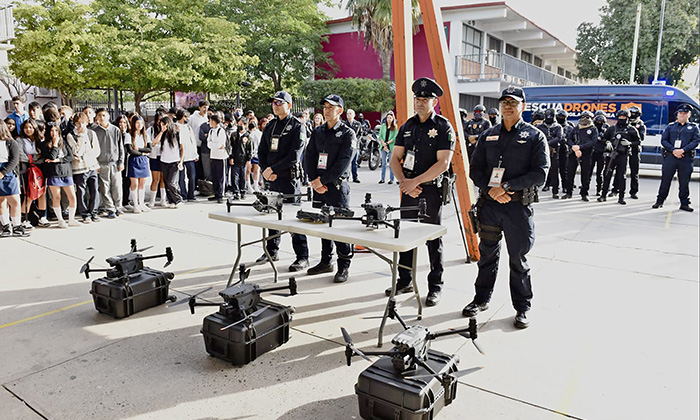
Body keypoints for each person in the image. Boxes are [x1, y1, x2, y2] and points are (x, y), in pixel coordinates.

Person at [462, 86, 549, 328]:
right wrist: (491, 190)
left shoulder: (534, 136)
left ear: (523, 106)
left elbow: (540, 173)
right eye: (504, 102)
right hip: (490, 206)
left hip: (517, 208)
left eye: (513, 102)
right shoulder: (488, 135)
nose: (508, 106)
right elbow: (475, 169)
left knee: (517, 259)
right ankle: (480, 299)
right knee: (487, 255)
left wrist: (507, 187)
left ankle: (522, 307)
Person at [388, 77, 456, 307]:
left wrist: (414, 181)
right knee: (405, 236)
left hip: (430, 192)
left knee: (432, 241)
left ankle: (435, 286)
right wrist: (404, 182)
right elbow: (395, 158)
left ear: (434, 102)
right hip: (408, 189)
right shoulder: (407, 126)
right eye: (418, 98)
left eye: (425, 98)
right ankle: (405, 279)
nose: (420, 102)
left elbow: (443, 163)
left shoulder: (443, 127)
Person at [305, 94, 356, 283]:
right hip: (319, 186)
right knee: (323, 225)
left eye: (331, 107)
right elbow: (309, 156)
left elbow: (343, 163)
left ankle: (344, 266)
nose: (326, 110)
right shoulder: (318, 132)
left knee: (340, 228)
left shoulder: (347, 133)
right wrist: (313, 180)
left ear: (340, 111)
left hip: (336, 187)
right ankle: (326, 261)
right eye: (324, 107)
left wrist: (323, 181)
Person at [257, 91, 309, 271]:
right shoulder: (270, 125)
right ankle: (271, 250)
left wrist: (274, 169)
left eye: (280, 102)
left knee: (294, 219)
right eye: (274, 102)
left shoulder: (297, 126)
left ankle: (302, 256)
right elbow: (262, 151)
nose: (275, 105)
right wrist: (265, 170)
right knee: (271, 215)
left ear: (289, 105)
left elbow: (294, 155)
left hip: (288, 178)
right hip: (271, 178)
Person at [653, 104, 700, 211]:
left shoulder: (693, 127)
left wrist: (683, 150)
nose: (682, 115)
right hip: (671, 157)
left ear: (689, 115)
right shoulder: (670, 127)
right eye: (680, 113)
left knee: (684, 182)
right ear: (677, 114)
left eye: (685, 113)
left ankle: (684, 203)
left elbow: (696, 141)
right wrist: (673, 150)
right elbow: (664, 140)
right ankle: (660, 201)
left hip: (686, 157)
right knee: (666, 180)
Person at [41, 122, 79, 228]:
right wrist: (54, 144)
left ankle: (71, 219)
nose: (54, 133)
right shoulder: (44, 144)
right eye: (52, 131)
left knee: (72, 196)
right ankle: (60, 220)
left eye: (56, 130)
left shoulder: (64, 142)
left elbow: (70, 157)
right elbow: (51, 156)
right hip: (54, 173)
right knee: (56, 197)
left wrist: (59, 160)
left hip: (66, 172)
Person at [598, 109, 639, 205]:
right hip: (612, 154)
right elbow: (604, 138)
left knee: (621, 176)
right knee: (607, 174)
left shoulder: (631, 129)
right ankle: (603, 195)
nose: (622, 119)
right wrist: (607, 142)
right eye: (620, 117)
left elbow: (638, 141)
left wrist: (630, 143)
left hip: (623, 155)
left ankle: (621, 197)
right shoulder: (612, 129)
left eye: (624, 117)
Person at [66, 112, 101, 223]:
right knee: (81, 191)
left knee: (94, 189)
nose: (81, 126)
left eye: (83, 123)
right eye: (78, 124)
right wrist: (80, 137)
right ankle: (84, 214)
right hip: (79, 168)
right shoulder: (71, 135)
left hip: (92, 166)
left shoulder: (91, 133)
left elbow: (96, 151)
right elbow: (75, 151)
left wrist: (84, 156)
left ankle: (93, 212)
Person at [92, 108, 124, 218]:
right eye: (100, 115)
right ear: (97, 118)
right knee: (104, 188)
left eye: (104, 115)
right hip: (102, 163)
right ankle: (110, 208)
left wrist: (121, 161)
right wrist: (96, 164)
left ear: (108, 116)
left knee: (117, 187)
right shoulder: (95, 131)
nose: (102, 117)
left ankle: (118, 207)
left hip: (114, 163)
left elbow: (120, 147)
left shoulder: (115, 130)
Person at [17, 119, 49, 227]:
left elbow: (44, 155)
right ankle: (24, 219)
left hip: (40, 168)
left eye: (30, 127)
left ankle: (42, 217)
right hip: (26, 169)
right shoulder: (20, 140)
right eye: (26, 127)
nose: (28, 130)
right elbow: (21, 155)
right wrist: (34, 158)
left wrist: (33, 158)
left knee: (42, 193)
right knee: (29, 194)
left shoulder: (40, 139)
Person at [0, 120, 28, 237]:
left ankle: (16, 226)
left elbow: (14, 160)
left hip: (8, 172)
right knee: (0, 201)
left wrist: (3, 172)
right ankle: (6, 226)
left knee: (14, 200)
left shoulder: (11, 143)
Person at [562, 110, 597, 201]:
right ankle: (568, 192)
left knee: (585, 174)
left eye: (587, 117)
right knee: (570, 173)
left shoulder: (593, 129)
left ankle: (584, 194)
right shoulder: (576, 128)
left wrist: (580, 147)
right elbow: (569, 138)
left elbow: (593, 141)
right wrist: (573, 147)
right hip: (574, 153)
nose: (585, 119)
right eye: (583, 117)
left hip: (586, 154)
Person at [124, 116, 152, 213]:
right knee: (134, 184)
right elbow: (130, 150)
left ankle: (142, 203)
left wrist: (139, 150)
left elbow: (149, 149)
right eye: (137, 123)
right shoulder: (129, 135)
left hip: (143, 161)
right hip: (133, 161)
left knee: (142, 184)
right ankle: (135, 204)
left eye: (141, 123)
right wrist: (143, 152)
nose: (139, 125)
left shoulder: (146, 135)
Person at [536, 109, 563, 198]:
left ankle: (555, 191)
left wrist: (549, 143)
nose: (548, 118)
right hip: (542, 151)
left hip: (553, 151)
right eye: (547, 116)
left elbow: (559, 137)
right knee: (539, 170)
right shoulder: (540, 127)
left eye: (550, 116)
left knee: (554, 171)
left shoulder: (557, 127)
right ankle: (537, 189)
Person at [176, 109, 198, 202]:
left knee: (192, 175)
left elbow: (193, 141)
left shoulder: (188, 128)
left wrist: (195, 153)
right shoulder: (175, 127)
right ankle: (183, 194)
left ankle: (191, 194)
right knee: (181, 177)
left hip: (190, 155)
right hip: (179, 155)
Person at [206, 113, 228, 203]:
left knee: (220, 177)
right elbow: (208, 143)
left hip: (221, 157)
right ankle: (215, 193)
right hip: (213, 156)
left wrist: (213, 144)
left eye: (211, 121)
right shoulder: (211, 131)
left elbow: (221, 145)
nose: (210, 122)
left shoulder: (221, 131)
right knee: (214, 176)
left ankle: (220, 195)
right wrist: (213, 145)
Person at [228, 117, 252, 200]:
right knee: (234, 176)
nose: (240, 126)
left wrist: (249, 159)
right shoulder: (234, 135)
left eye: (241, 124)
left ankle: (243, 191)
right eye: (238, 124)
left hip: (244, 159)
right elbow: (231, 146)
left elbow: (249, 148)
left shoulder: (248, 135)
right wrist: (231, 157)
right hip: (235, 158)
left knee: (243, 175)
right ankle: (236, 192)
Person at [146, 110, 166, 207]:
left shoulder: (167, 129)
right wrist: (161, 132)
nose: (160, 123)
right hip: (154, 156)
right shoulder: (151, 130)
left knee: (163, 179)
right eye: (158, 120)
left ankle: (163, 199)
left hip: (165, 156)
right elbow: (153, 143)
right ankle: (152, 200)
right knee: (155, 179)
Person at [189, 100, 210, 182]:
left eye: (207, 108)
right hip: (195, 145)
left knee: (204, 167)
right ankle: (196, 184)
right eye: (204, 108)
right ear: (199, 108)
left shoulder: (207, 117)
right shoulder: (192, 118)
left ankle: (203, 184)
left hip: (205, 146)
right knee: (196, 167)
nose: (205, 110)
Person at [627, 106, 645, 199]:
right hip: (624, 149)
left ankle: (633, 191)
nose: (633, 115)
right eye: (632, 114)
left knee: (634, 172)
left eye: (635, 114)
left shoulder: (641, 125)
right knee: (620, 171)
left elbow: (641, 137)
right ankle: (615, 189)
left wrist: (630, 140)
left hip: (634, 150)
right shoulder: (626, 123)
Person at [590, 113, 609, 196]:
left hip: (601, 153)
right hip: (592, 153)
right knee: (588, 171)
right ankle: (585, 189)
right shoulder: (592, 130)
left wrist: (602, 140)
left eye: (601, 122)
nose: (599, 123)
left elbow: (608, 139)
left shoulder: (605, 131)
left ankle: (599, 189)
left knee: (599, 173)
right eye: (598, 122)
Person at [377, 110, 398, 184]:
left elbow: (395, 137)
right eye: (387, 117)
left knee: (391, 164)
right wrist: (383, 144)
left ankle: (391, 179)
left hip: (390, 147)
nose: (388, 119)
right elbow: (380, 136)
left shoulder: (395, 127)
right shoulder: (383, 126)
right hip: (383, 147)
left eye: (390, 118)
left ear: (393, 119)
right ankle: (382, 179)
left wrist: (387, 143)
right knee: (383, 163)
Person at [344, 109, 362, 183]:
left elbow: (360, 134)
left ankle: (355, 177)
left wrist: (355, 140)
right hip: (347, 145)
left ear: (354, 115)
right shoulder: (344, 124)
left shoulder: (358, 124)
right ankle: (346, 176)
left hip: (355, 145)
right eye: (348, 114)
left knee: (354, 162)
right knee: (347, 162)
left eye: (350, 113)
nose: (349, 115)